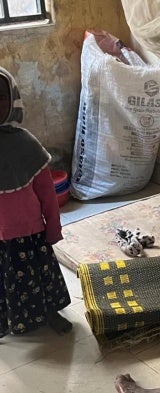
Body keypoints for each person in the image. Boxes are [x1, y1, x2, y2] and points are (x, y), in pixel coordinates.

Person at [0, 66, 72, 336]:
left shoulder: (26, 144)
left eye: (1, 96)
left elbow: (47, 195)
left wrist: (53, 228)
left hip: (30, 234)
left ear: (13, 99)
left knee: (38, 278)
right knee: (5, 282)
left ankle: (48, 312)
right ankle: (7, 318)